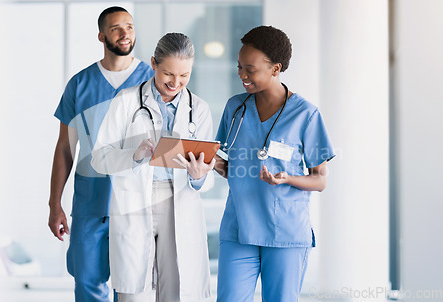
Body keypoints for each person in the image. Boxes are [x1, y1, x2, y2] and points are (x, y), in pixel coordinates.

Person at [213, 26, 335, 302]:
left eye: (250, 69)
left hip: (285, 233)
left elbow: (320, 179)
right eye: (239, 67)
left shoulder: (306, 114)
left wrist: (287, 178)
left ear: (276, 68)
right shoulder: (235, 108)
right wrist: (208, 162)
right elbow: (233, 168)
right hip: (238, 227)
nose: (242, 75)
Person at [91, 33, 214, 302]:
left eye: (184, 76)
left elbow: (208, 172)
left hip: (179, 201)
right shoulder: (126, 101)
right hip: (136, 201)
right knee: (135, 292)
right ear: (153, 64)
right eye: (168, 73)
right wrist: (133, 156)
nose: (176, 83)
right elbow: (99, 159)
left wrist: (198, 177)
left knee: (176, 289)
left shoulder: (199, 109)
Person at [48, 6, 154, 302]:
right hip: (90, 205)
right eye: (116, 28)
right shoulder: (79, 85)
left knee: (132, 289)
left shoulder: (153, 82)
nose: (125, 33)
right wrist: (54, 203)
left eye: (130, 27)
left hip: (137, 204)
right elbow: (65, 149)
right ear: (101, 35)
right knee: (87, 286)